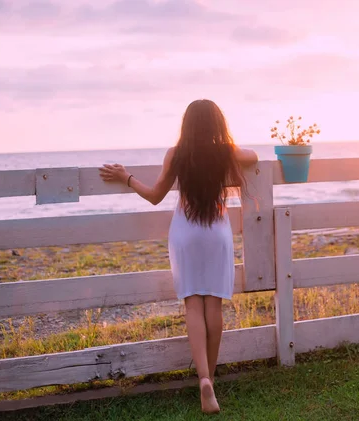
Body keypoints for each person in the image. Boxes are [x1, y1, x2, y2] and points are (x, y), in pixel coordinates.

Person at [99, 99, 258, 414]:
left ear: (186, 125)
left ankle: (203, 380)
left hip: (186, 234)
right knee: (213, 305)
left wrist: (126, 177)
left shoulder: (176, 154)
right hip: (216, 235)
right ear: (217, 124)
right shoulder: (225, 152)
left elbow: (156, 195)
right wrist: (226, 144)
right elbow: (252, 156)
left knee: (192, 304)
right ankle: (209, 379)